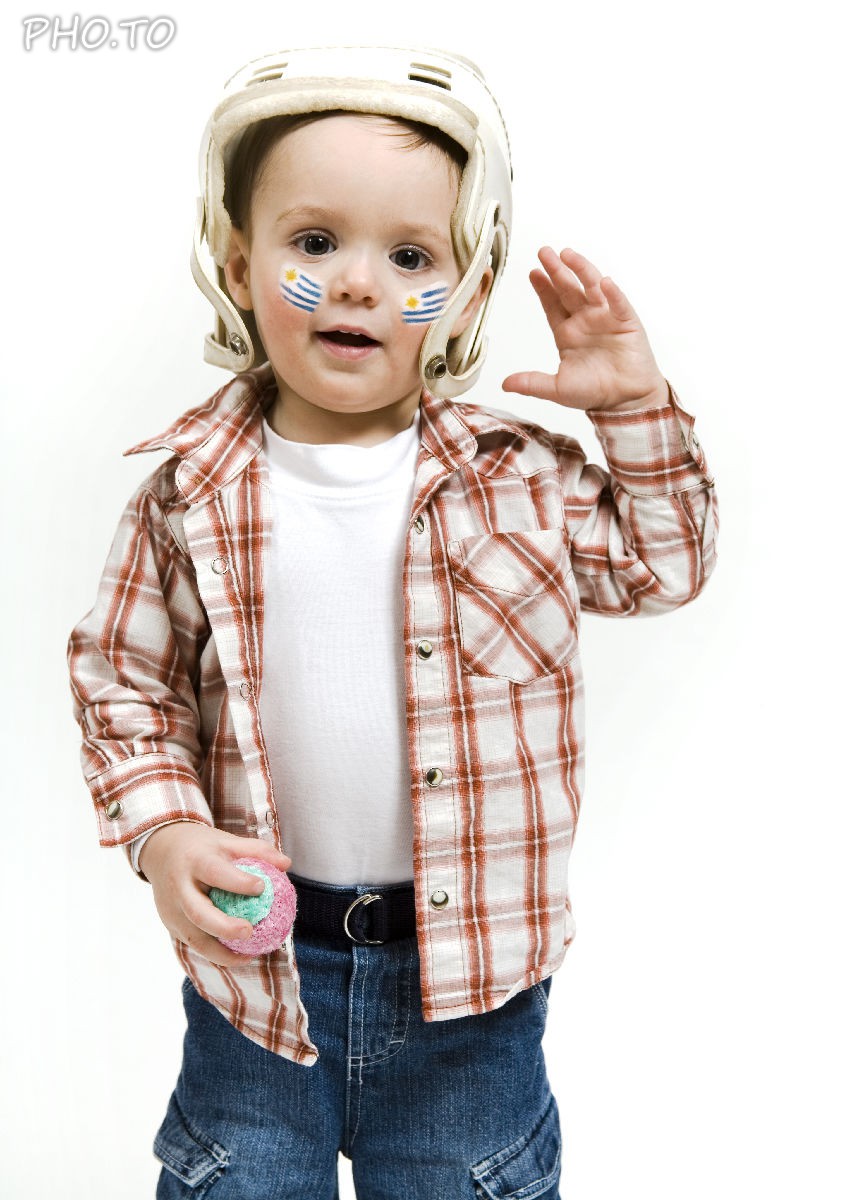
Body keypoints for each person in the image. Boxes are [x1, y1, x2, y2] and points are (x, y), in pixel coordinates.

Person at [67, 45, 718, 1199]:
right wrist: (165, 837)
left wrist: (632, 409)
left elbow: (663, 569)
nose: (360, 282)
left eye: (411, 255)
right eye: (314, 243)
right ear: (240, 261)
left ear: (463, 294)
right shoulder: (189, 492)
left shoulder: (521, 479)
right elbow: (125, 682)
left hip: (469, 992)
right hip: (258, 980)